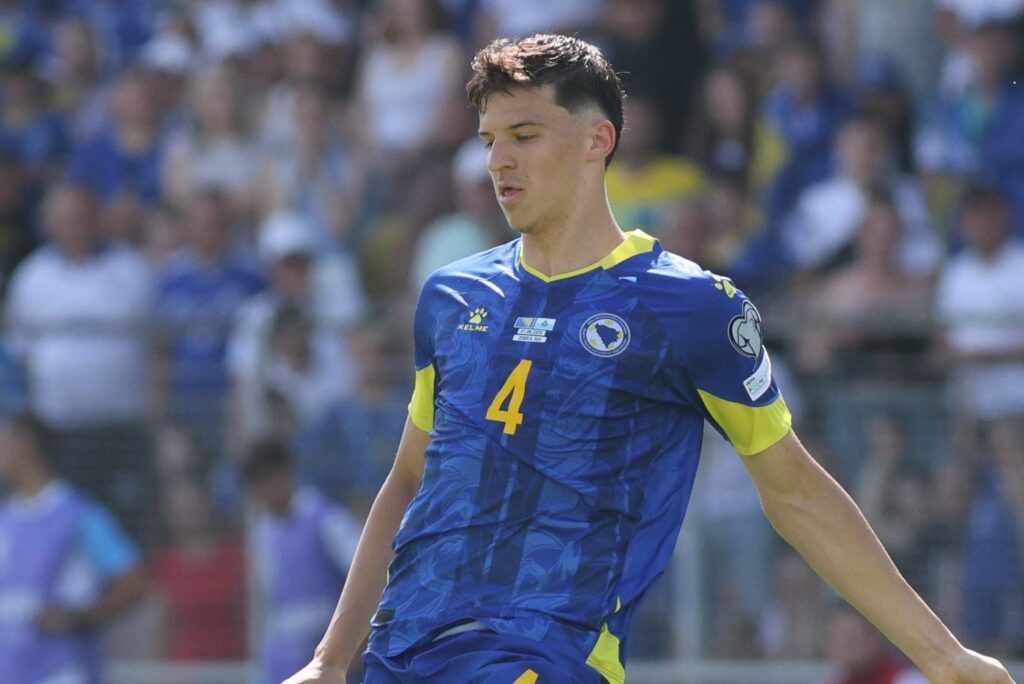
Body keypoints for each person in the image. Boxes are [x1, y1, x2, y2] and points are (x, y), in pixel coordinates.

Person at [285, 34, 1015, 684]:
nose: (499, 160)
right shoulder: (450, 296)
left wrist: (943, 656)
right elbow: (409, 479)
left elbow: (794, 489)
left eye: (525, 135)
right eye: (489, 140)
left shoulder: (689, 306)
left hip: (547, 653)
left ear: (597, 140)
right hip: (402, 652)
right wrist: (331, 659)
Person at [0, 413, 147, 684]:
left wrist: (81, 618)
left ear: (25, 444)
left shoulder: (79, 516)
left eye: (3, 440)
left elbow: (135, 582)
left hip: (64, 672)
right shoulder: (5, 520)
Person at [242, 437, 362, 684]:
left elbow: (366, 576)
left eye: (268, 480)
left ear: (286, 474)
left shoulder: (325, 520)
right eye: (257, 485)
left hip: (326, 662)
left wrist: (357, 646)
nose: (265, 492)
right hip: (281, 666)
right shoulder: (263, 533)